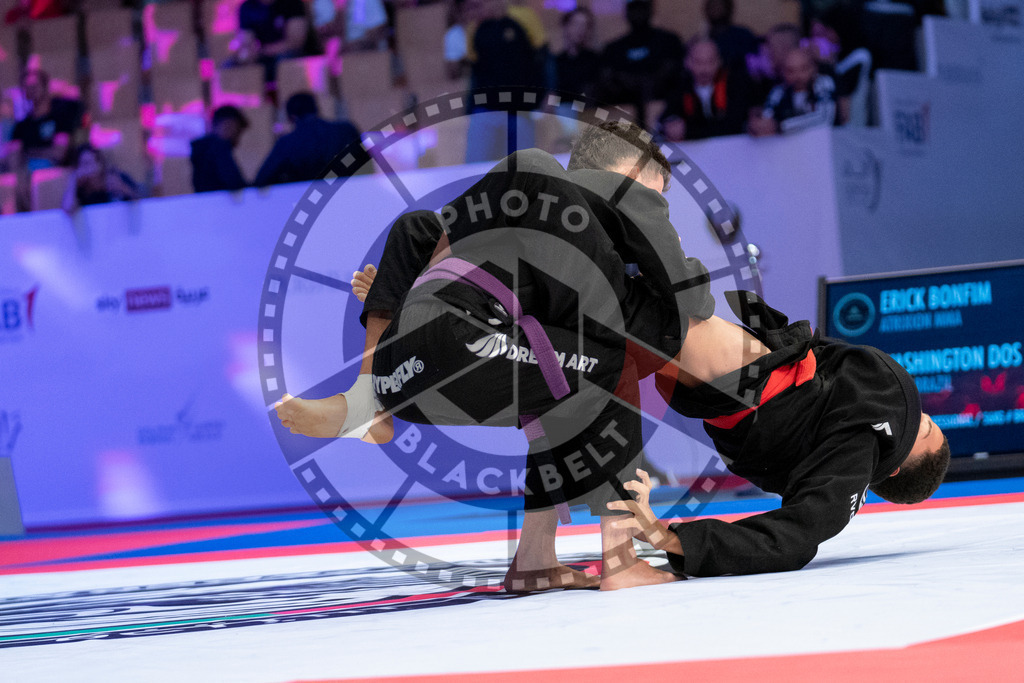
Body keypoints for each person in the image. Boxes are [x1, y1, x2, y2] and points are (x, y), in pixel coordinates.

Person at [275, 121, 717, 591]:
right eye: (658, 194)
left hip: (409, 372)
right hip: (470, 345)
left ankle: (532, 559)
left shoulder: (509, 223)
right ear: (631, 173)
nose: (659, 208)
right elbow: (693, 298)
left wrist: (402, 295)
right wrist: (671, 259)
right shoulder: (600, 197)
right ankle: (621, 561)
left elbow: (416, 234)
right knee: (611, 358)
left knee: (557, 368)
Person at [603, 289, 950, 577]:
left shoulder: (856, 457)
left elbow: (793, 536)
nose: (922, 418)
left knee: (627, 309)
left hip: (755, 385)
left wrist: (669, 539)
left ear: (893, 467)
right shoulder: (854, 423)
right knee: (612, 338)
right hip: (754, 383)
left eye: (925, 430)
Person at [463, 0, 547, 163]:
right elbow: (474, 71)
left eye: (478, 5)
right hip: (485, 110)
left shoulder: (526, 16)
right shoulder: (475, 27)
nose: (475, 10)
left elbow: (543, 59)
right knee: (475, 170)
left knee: (524, 171)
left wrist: (546, 93)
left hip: (521, 109)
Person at [596, 0, 684, 128]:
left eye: (642, 7)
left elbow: (678, 79)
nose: (638, 13)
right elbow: (606, 84)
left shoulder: (669, 42)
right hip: (624, 122)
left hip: (665, 118)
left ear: (651, 9)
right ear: (626, 12)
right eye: (634, 8)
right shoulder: (613, 50)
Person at [9, 68, 83, 211]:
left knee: (39, 180)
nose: (31, 90)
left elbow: (59, 154)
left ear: (45, 87)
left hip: (56, 174)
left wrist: (29, 153)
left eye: (35, 86)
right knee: (13, 182)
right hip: (28, 176)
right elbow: (14, 157)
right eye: (27, 87)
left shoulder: (60, 117)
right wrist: (21, 174)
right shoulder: (21, 126)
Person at [254, 92, 361, 187]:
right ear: (316, 109)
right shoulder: (346, 130)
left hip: (310, 203)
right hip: (353, 196)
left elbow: (262, 179)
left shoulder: (287, 143)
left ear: (291, 117)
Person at [658, 38, 749, 141]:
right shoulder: (679, 87)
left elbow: (733, 125)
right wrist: (670, 126)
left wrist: (688, 131)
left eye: (710, 62)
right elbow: (666, 119)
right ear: (687, 62)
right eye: (698, 62)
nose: (705, 69)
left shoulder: (735, 84)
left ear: (720, 61)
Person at [751, 46, 844, 136]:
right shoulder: (779, 92)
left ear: (815, 68)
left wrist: (782, 126)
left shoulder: (823, 83)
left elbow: (824, 119)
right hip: (789, 149)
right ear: (782, 72)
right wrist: (758, 126)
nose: (798, 76)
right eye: (791, 71)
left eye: (804, 68)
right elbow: (767, 118)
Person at [233, 0, 311, 81]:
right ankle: (246, 93)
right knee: (230, 65)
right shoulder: (247, 7)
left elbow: (296, 42)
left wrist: (263, 51)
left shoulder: (292, 3)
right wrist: (247, 54)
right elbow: (246, 42)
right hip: (262, 57)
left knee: (285, 60)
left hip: (288, 55)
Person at [61, 144, 139, 212]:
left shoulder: (116, 177)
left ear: (100, 163)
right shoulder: (79, 188)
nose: (89, 169)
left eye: (91, 163)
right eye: (84, 164)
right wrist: (73, 180)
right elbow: (68, 208)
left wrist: (122, 188)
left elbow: (141, 200)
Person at [190, 105, 249, 193]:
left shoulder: (202, 148)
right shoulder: (218, 147)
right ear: (228, 125)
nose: (238, 140)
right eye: (238, 131)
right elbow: (234, 182)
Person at [552, 7, 600, 99]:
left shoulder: (595, 60)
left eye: (586, 25)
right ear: (566, 26)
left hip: (586, 111)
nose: (581, 29)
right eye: (576, 24)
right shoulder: (556, 62)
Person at [703, 0, 759, 72]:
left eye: (718, 6)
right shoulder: (701, 39)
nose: (715, 9)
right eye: (711, 7)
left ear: (728, 9)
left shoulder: (743, 35)